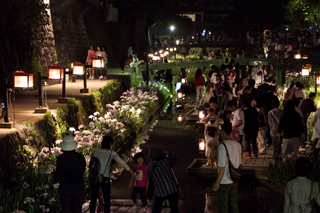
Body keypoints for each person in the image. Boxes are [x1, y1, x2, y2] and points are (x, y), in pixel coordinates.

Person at [89, 136, 131, 213]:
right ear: (110, 144)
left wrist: (92, 173)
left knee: (93, 198)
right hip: (105, 177)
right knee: (106, 198)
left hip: (95, 177)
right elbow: (121, 162)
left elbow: (91, 165)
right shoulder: (112, 153)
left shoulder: (96, 151)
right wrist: (129, 170)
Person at [213, 122, 241, 213]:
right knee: (234, 205)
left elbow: (222, 166)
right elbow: (239, 163)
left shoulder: (222, 146)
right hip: (235, 179)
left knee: (223, 206)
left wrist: (217, 182)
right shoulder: (238, 145)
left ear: (224, 131)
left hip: (224, 181)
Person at [53, 135, 86, 213]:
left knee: (66, 209)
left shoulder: (61, 158)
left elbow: (59, 172)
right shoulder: (80, 156)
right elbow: (83, 169)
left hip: (65, 188)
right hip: (78, 187)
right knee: (77, 209)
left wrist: (54, 180)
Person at [147, 149, 179, 213]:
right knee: (174, 208)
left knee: (156, 209)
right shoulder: (165, 162)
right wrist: (166, 152)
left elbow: (150, 180)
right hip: (172, 189)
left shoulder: (149, 167)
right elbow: (175, 156)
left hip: (159, 192)